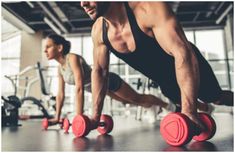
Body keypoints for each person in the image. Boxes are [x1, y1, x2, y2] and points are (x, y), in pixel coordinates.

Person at [80, 2, 233, 129]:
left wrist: (189, 112)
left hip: (190, 66)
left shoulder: (148, 9)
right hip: (165, 82)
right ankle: (204, 109)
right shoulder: (98, 31)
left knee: (215, 97)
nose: (83, 3)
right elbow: (99, 72)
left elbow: (182, 53)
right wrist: (95, 118)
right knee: (178, 99)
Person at [44, 34, 179, 124]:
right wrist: (57, 117)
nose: (45, 51)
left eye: (48, 47)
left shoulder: (72, 58)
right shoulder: (59, 69)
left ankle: (168, 105)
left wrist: (79, 117)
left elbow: (79, 87)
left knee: (136, 98)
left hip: (108, 81)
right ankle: (151, 107)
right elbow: (60, 94)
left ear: (60, 47)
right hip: (97, 89)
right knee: (126, 102)